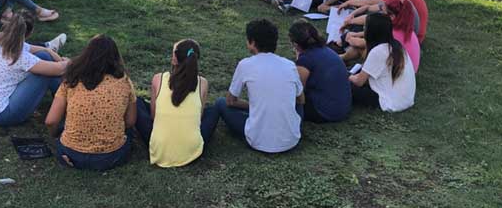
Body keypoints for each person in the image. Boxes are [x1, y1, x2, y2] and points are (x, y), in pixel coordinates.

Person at [45, 35, 137, 171]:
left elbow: (51, 121)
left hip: (71, 154)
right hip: (111, 157)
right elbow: (130, 122)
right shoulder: (125, 82)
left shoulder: (71, 80)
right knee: (130, 134)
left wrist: (55, 135)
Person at [215, 19, 303, 153]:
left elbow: (230, 101)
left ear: (253, 42)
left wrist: (255, 106)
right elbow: (301, 100)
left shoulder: (245, 65)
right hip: (292, 139)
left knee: (221, 102)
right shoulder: (289, 65)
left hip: (257, 141)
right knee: (297, 103)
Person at [134, 39, 220, 168]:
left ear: (174, 58)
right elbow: (199, 118)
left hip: (160, 149)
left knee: (138, 103)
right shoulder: (203, 83)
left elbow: (153, 117)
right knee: (213, 110)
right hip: (192, 152)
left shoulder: (158, 79)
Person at [0, 11, 69, 127]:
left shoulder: (3, 41)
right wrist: (74, 62)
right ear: (29, 33)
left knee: (44, 56)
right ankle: (68, 100)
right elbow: (59, 69)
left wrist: (49, 50)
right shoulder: (19, 56)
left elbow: (38, 50)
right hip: (3, 115)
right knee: (45, 73)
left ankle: (66, 98)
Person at [348, 13, 416, 112]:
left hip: (390, 101)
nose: (364, 28)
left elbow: (359, 82)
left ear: (372, 32)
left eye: (365, 26)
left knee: (344, 84)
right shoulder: (397, 46)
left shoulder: (379, 51)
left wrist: (347, 75)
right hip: (405, 100)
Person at [289, 20, 351, 123]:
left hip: (325, 112)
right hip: (343, 108)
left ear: (295, 44)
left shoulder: (306, 60)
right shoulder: (327, 51)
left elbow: (298, 91)